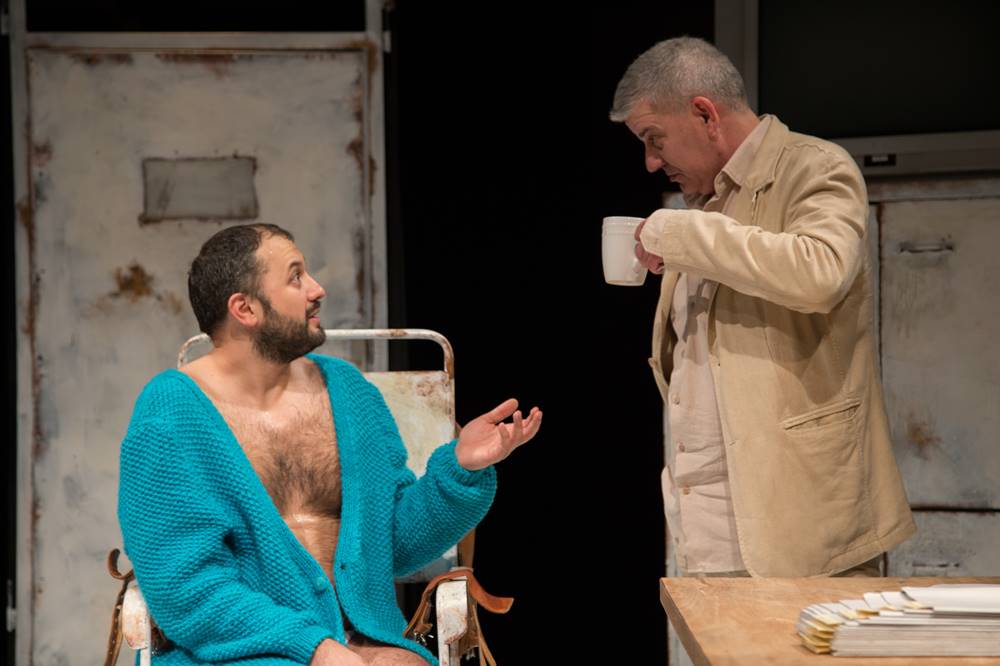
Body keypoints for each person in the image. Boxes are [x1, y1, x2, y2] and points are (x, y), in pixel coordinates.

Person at [117, 223, 542, 665]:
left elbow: (394, 544)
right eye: (295, 277)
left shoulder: (349, 392)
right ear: (245, 308)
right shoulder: (169, 416)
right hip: (243, 651)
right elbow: (186, 589)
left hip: (365, 640)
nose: (316, 289)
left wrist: (462, 469)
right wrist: (313, 647)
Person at [609, 37, 914, 577]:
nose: (651, 162)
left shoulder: (815, 168)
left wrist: (682, 233)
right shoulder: (704, 201)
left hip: (802, 531)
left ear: (705, 114)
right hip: (706, 534)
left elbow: (820, 271)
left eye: (655, 139)